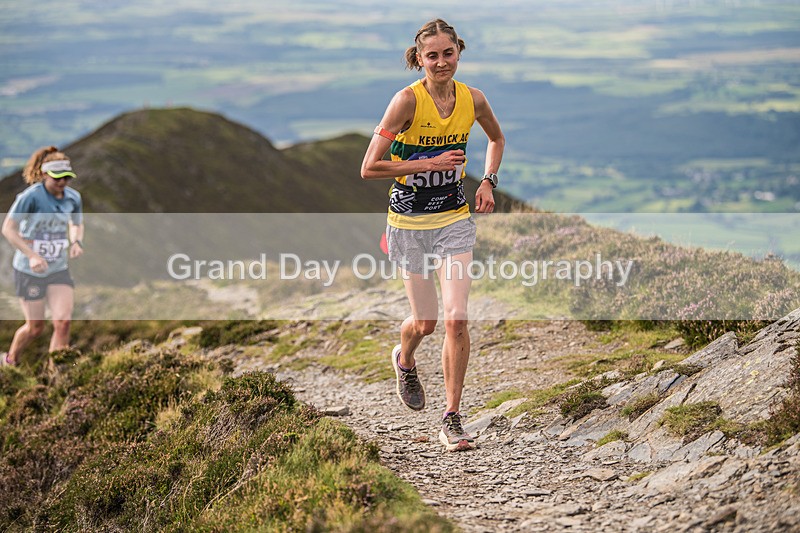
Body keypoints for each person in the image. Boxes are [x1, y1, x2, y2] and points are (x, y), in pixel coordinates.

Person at [361, 19, 505, 451]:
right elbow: (369, 167)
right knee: (425, 322)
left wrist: (487, 181)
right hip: (407, 225)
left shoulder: (473, 99)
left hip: (453, 221)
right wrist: (423, 164)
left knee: (457, 317)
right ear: (419, 59)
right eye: (432, 56)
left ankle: (452, 418)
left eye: (448, 53)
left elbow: (496, 139)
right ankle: (404, 358)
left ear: (458, 51)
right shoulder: (406, 101)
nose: (441, 62)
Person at [1, 146, 84, 366]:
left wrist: (76, 241)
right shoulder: (31, 197)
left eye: (66, 177)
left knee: (63, 322)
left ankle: (56, 374)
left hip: (58, 269)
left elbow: (76, 223)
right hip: (30, 271)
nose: (62, 182)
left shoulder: (73, 198)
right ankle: (10, 360)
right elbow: (8, 229)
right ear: (45, 173)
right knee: (35, 328)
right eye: (57, 178)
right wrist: (31, 255)